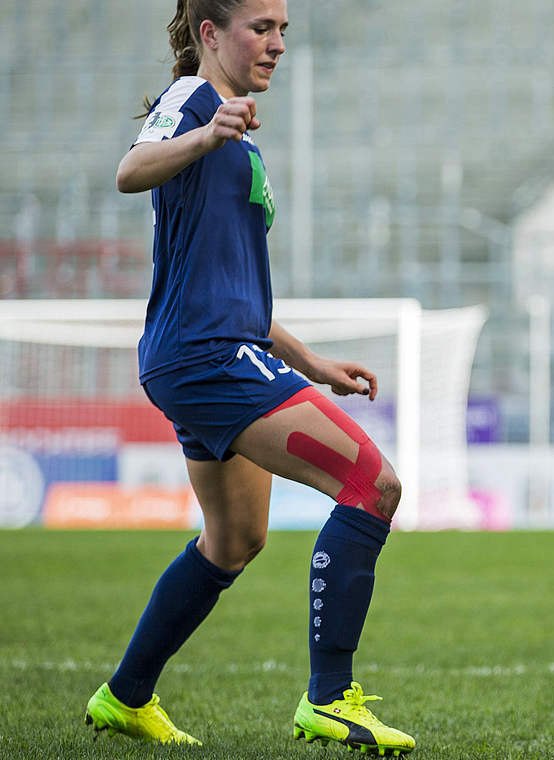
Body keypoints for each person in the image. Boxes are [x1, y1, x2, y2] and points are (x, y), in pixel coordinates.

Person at [83, 1, 414, 754]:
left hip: (210, 352)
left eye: (283, 30)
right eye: (260, 27)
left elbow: (233, 289)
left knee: (234, 539)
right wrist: (206, 131)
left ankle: (125, 696)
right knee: (374, 486)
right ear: (209, 33)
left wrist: (313, 364)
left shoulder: (236, 137)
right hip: (206, 358)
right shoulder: (194, 101)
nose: (276, 43)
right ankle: (330, 699)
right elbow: (128, 170)